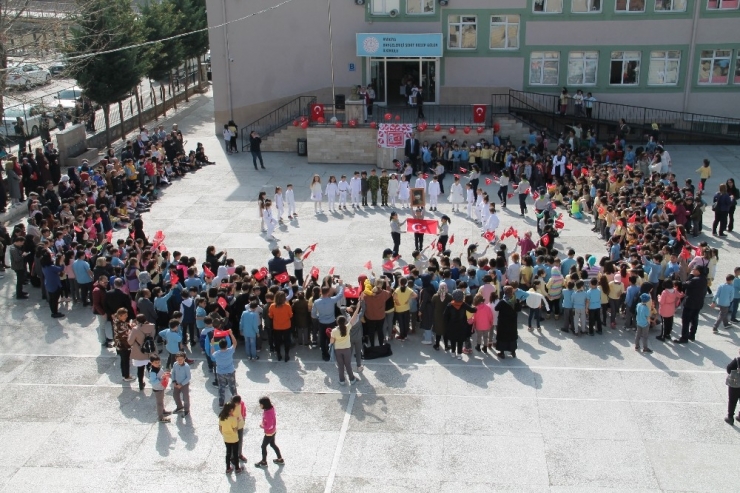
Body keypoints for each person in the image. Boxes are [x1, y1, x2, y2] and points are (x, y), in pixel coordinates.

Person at [444, 289, 476, 360]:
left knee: (453, 340)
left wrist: (447, 324)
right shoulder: (464, 305)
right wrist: (477, 306)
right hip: (462, 326)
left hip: (452, 326)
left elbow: (445, 315)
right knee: (460, 340)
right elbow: (472, 310)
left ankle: (453, 352)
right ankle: (459, 354)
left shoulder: (449, 305)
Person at [255, 396, 283, 468]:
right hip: (273, 431)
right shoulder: (271, 408)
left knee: (263, 446)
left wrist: (263, 426)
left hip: (269, 433)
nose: (260, 405)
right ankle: (280, 459)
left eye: (260, 404)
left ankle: (264, 461)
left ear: (264, 404)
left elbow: (269, 425)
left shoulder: (267, 413)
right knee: (273, 444)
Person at [213, 329, 238, 407]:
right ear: (226, 345)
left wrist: (212, 344)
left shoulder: (216, 354)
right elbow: (235, 343)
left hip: (220, 372)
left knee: (221, 388)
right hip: (230, 371)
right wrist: (231, 334)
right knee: (232, 386)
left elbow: (212, 352)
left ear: (219, 346)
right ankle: (236, 401)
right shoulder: (230, 351)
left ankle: (221, 403)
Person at [331, 315, 357, 385]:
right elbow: (353, 318)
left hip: (338, 350)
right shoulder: (347, 327)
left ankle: (342, 380)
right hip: (347, 349)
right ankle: (352, 379)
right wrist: (357, 308)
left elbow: (331, 341)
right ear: (345, 321)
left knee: (340, 365)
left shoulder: (334, 331)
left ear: (337, 322)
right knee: (348, 365)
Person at [495, 286, 520, 358]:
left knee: (502, 337)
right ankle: (513, 351)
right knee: (512, 336)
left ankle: (502, 353)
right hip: (512, 322)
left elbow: (496, 308)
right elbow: (518, 309)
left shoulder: (502, 301)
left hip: (503, 322)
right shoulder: (515, 300)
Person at [113, 307, 135, 382]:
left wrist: (129, 326)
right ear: (120, 316)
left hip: (120, 346)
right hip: (124, 346)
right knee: (125, 361)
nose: (126, 316)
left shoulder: (118, 322)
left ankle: (125, 375)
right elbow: (125, 336)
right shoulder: (120, 325)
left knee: (123, 361)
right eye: (124, 315)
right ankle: (126, 376)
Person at [219, 402, 242, 473]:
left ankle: (228, 468)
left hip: (226, 438)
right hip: (234, 439)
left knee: (228, 453)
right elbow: (235, 430)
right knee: (235, 453)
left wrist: (224, 434)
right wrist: (237, 422)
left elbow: (220, 428)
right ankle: (237, 468)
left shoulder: (221, 418)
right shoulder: (233, 419)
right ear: (231, 410)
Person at [148, 354, 172, 423]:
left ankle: (163, 411)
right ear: (151, 363)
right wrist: (162, 378)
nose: (158, 364)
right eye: (156, 363)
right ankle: (161, 417)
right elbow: (153, 381)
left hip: (161, 387)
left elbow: (161, 373)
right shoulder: (153, 372)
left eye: (159, 362)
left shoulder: (158, 368)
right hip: (157, 388)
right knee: (159, 403)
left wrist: (165, 374)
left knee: (161, 400)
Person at [170, 351, 190, 416]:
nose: (180, 360)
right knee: (175, 395)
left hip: (184, 384)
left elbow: (188, 377)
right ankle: (179, 407)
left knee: (185, 397)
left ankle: (186, 410)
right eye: (178, 359)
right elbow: (173, 373)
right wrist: (174, 381)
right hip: (176, 383)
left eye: (181, 359)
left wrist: (182, 384)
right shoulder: (175, 364)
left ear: (184, 358)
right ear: (176, 359)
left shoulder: (186, 366)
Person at [724, 350, 740, 425]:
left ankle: (730, 417)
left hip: (735, 384)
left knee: (732, 400)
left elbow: (728, 369)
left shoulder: (737, 361)